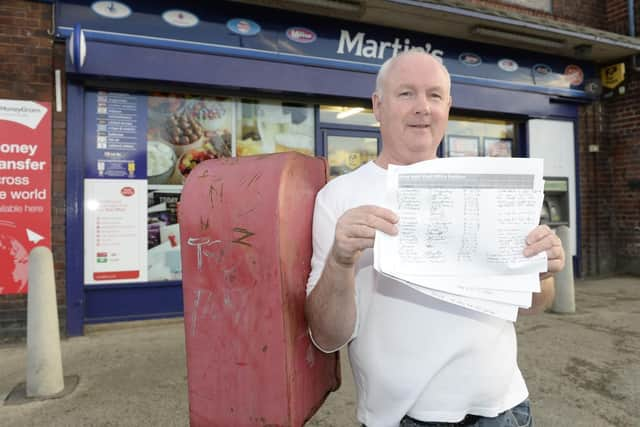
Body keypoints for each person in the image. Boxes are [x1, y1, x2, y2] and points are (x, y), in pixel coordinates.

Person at [305, 50, 564, 427]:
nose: (422, 107)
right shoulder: (339, 199)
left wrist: (542, 272)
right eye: (406, 93)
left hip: (505, 410)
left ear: (449, 107)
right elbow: (326, 337)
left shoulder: (489, 188)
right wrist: (340, 261)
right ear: (378, 106)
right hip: (401, 419)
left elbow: (534, 305)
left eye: (435, 95)